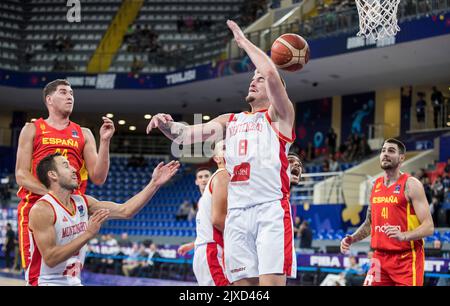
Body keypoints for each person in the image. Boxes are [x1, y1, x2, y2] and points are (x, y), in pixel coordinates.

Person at [149, 20, 296, 286]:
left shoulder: (279, 117)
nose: (254, 81)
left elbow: (273, 74)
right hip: (237, 216)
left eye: (260, 79)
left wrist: (243, 43)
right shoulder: (231, 120)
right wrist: (166, 125)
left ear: (276, 92)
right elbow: (184, 135)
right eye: (253, 78)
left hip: (270, 211)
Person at [27, 153, 179, 286]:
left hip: (73, 281)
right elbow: (51, 258)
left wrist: (154, 184)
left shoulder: (83, 202)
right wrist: (88, 234)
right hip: (45, 282)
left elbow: (125, 211)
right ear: (53, 175)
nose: (74, 170)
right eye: (66, 166)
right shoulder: (43, 209)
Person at [15, 79, 115, 272]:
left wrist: (104, 142)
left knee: (68, 272)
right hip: (37, 208)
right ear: (49, 100)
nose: (70, 96)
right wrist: (54, 196)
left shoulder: (83, 133)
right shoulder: (32, 129)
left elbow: (98, 177)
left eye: (71, 93)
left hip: (71, 212)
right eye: (63, 92)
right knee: (37, 272)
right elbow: (21, 175)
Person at [340, 138, 434, 286]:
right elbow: (369, 224)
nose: (385, 154)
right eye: (383, 150)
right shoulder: (375, 186)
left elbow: (429, 227)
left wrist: (403, 236)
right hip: (379, 258)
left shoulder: (411, 185)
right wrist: (353, 238)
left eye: (391, 151)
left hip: (407, 260)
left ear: (401, 158)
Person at [177, 142, 229, 286]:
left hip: (208, 250)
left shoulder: (206, 198)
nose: (204, 179)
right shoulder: (220, 178)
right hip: (211, 250)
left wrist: (193, 245)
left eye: (207, 175)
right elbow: (217, 222)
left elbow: (208, 230)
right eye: (201, 177)